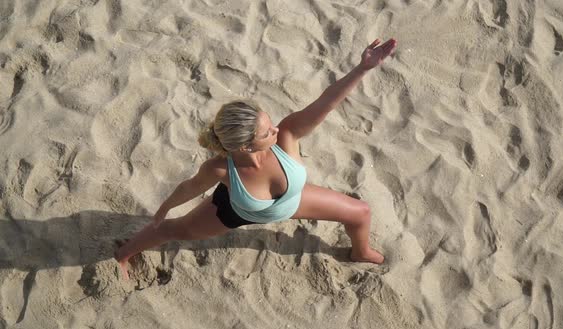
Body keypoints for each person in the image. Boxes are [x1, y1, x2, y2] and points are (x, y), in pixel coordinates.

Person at [115, 38, 398, 280]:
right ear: (247, 147)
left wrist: (362, 69)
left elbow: (326, 103)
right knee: (174, 230)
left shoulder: (287, 137)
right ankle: (123, 255)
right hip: (237, 212)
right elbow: (190, 188)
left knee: (360, 213)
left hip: (292, 201)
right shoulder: (220, 170)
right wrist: (164, 209)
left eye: (269, 123)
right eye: (266, 132)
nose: (276, 129)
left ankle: (360, 251)